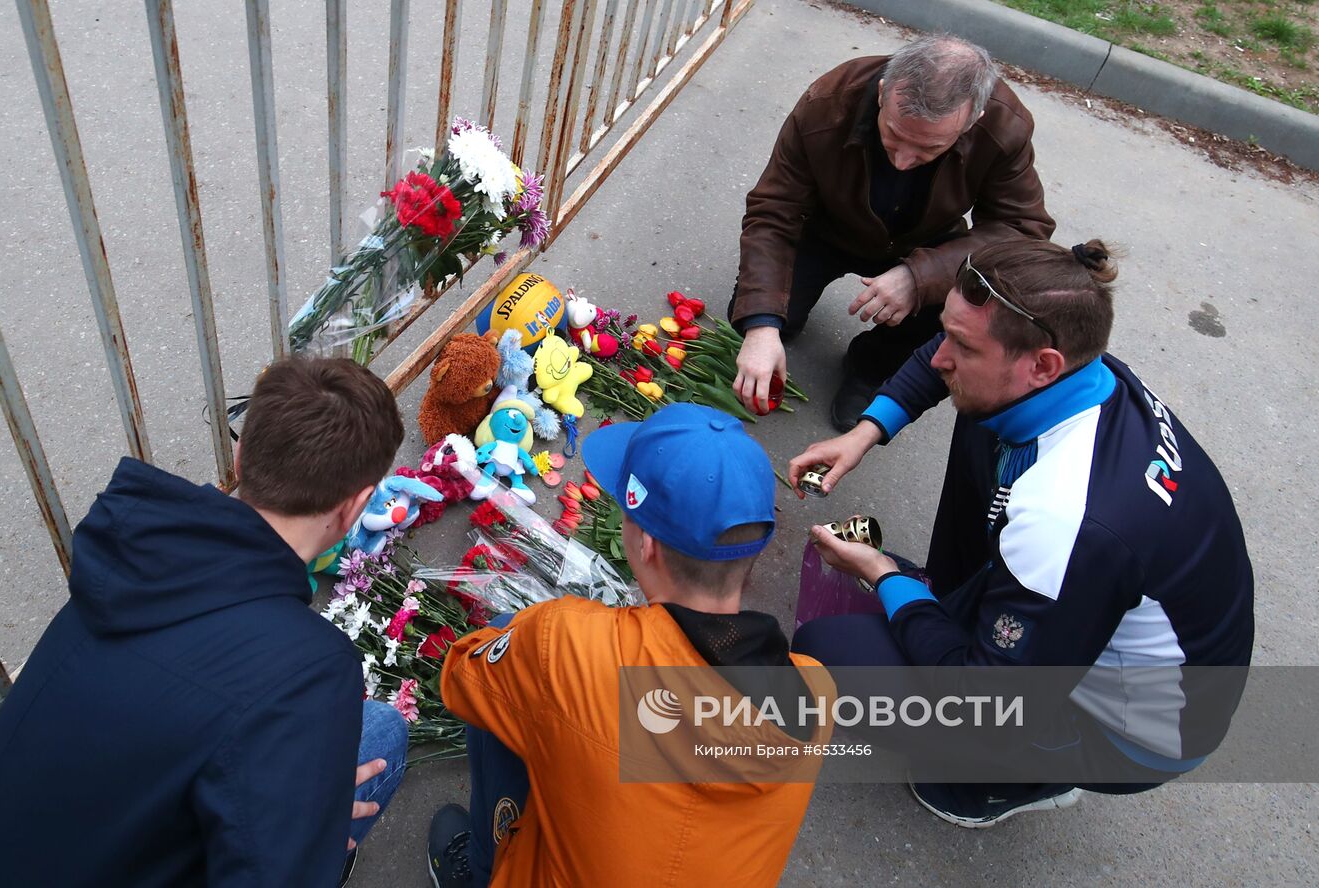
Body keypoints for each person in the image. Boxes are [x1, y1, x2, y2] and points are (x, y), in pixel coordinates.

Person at [786, 238, 1254, 826]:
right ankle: (960, 606)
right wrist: (865, 431)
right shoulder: (1083, 376)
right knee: (980, 409)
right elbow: (944, 348)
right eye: (950, 333)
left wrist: (885, 577)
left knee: (833, 656)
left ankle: (1000, 781)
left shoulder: (1066, 520)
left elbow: (986, 704)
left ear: (1042, 364)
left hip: (1133, 735)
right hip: (1108, 611)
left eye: (963, 344)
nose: (939, 358)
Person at [0, 357, 410, 886]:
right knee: (381, 733)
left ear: (241, 455)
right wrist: (307, 827)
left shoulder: (134, 548)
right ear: (356, 505)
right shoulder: (310, 666)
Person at [424, 404, 833, 887]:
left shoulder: (570, 644)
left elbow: (460, 680)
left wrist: (548, 633)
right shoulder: (816, 690)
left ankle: (483, 870)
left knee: (506, 662)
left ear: (647, 546)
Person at [729, 35, 1055, 431]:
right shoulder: (828, 101)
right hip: (826, 229)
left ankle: (871, 367)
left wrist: (921, 277)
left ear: (973, 120)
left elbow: (1023, 231)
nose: (903, 161)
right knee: (755, 317)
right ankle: (778, 323)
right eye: (894, 135)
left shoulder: (1005, 126)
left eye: (928, 148)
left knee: (966, 302)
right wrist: (763, 324)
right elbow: (774, 209)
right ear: (883, 93)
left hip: (925, 244)